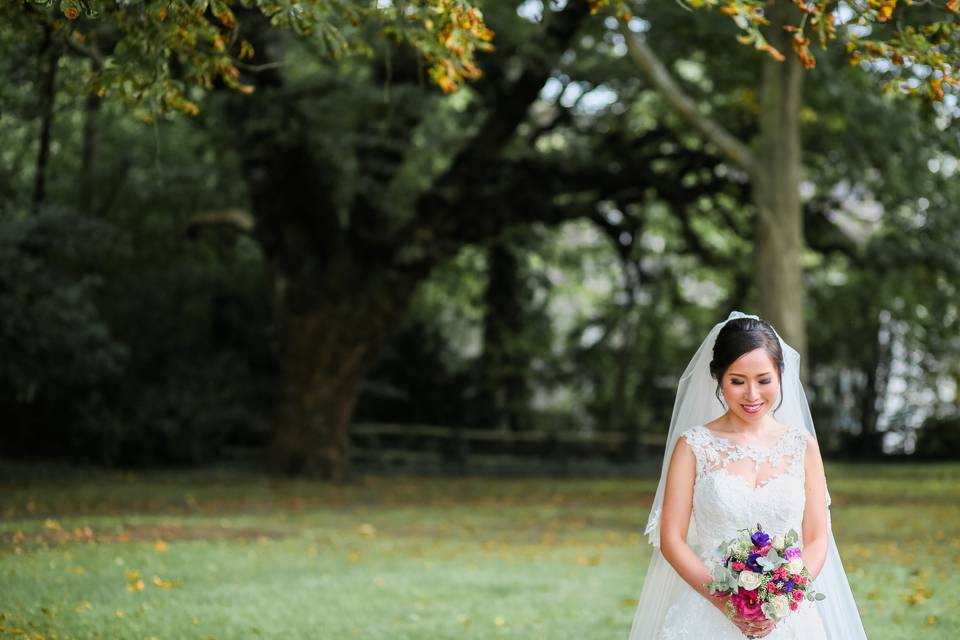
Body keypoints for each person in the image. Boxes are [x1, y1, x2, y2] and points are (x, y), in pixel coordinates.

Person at [627, 311, 867, 639]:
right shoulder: (694, 446)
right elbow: (672, 539)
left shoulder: (802, 446)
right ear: (718, 378)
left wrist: (782, 601)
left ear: (780, 376)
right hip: (707, 610)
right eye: (738, 381)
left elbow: (816, 537)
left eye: (764, 380)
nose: (752, 395)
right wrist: (726, 602)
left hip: (788, 617)